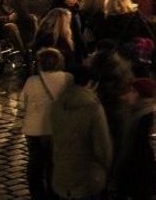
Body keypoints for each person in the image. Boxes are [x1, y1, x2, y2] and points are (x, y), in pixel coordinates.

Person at [48, 65, 113, 200]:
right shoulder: (92, 106)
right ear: (91, 83)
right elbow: (102, 146)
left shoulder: (57, 104)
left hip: (62, 174)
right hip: (87, 176)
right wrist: (108, 167)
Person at [19, 47, 71, 200]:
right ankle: (54, 192)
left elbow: (23, 104)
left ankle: (37, 193)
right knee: (53, 162)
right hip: (56, 128)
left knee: (35, 162)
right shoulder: (67, 78)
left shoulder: (32, 81)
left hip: (34, 129)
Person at [108, 77, 156, 200]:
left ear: (141, 95)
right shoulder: (137, 112)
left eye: (133, 91)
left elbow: (130, 147)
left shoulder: (141, 116)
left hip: (138, 173)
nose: (128, 95)